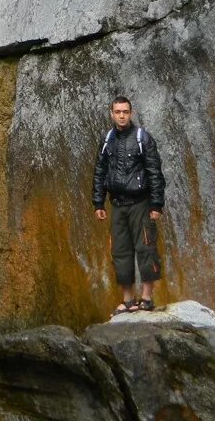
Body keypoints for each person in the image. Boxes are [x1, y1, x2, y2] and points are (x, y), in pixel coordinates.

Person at [92, 94, 166, 314]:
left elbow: (155, 172)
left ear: (130, 113)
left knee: (146, 247)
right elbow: (99, 172)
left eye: (125, 111)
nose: (122, 115)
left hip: (140, 203)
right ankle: (128, 301)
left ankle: (146, 298)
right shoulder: (107, 140)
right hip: (117, 204)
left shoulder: (143, 138)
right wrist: (98, 203)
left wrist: (156, 205)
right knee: (120, 252)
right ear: (112, 114)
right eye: (118, 112)